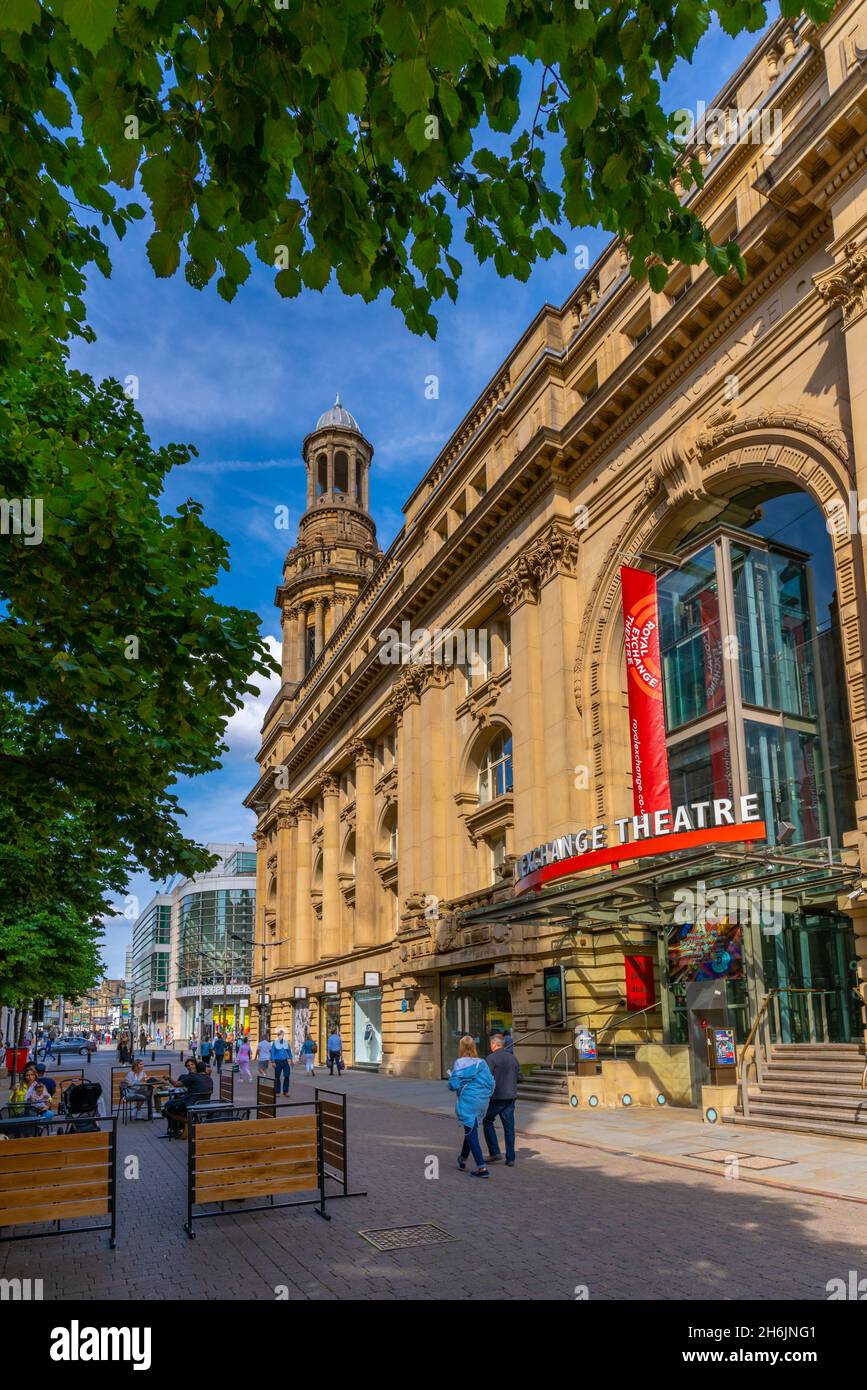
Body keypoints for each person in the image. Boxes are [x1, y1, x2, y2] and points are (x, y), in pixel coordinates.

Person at [447, 1035, 495, 1178]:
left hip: (468, 1101)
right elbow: (491, 1082)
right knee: (471, 1128)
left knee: (471, 1132)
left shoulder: (459, 1063)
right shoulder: (482, 1063)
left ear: (461, 1047)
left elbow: (454, 1085)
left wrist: (452, 1079)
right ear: (474, 1047)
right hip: (482, 1101)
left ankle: (482, 1168)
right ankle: (462, 1159)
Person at [482, 1033, 522, 1167]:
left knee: (487, 1120)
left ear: (494, 1044)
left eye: (490, 1044)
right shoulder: (513, 1058)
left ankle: (494, 1152)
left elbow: (486, 1079)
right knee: (509, 1127)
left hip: (496, 1097)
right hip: (510, 1097)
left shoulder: (490, 1058)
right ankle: (510, 1158)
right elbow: (520, 1077)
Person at [161, 1061, 213, 1138]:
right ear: (205, 1069)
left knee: (167, 1108)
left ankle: (188, 1121)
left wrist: (169, 1078)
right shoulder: (209, 1079)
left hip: (191, 1104)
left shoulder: (193, 1077)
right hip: (204, 1103)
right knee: (175, 1103)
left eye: (192, 1065)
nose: (190, 1067)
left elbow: (176, 1084)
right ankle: (185, 1126)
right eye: (188, 1065)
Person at [272, 1031, 293, 1096]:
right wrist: (273, 1061)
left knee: (287, 1076)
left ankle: (285, 1091)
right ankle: (277, 1092)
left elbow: (289, 1051)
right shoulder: (274, 1043)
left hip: (285, 1061)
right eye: (281, 1035)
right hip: (277, 1061)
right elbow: (272, 1053)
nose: (282, 1036)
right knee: (277, 1077)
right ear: (278, 1036)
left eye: (283, 1035)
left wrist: (291, 1059)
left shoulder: (286, 1042)